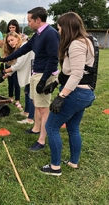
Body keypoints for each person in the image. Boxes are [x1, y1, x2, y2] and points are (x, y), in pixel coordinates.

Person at [0, 7, 60, 151]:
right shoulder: (38, 34)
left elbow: (53, 59)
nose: (28, 23)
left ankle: (42, 140)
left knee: (43, 109)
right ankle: (36, 128)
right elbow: (23, 50)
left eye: (30, 20)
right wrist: (6, 58)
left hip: (44, 75)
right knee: (36, 104)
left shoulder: (50, 34)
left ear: (38, 20)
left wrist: (43, 80)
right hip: (36, 73)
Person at [39, 12, 96, 176]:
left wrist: (61, 96)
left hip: (76, 93)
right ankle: (73, 162)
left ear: (67, 27)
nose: (58, 31)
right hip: (84, 94)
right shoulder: (86, 41)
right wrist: (56, 83)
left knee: (51, 126)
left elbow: (77, 74)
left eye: (59, 27)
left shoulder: (76, 45)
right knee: (73, 128)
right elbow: (74, 71)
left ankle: (55, 167)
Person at [0, 31, 35, 124]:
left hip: (32, 73)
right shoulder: (19, 48)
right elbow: (15, 67)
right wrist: (2, 77)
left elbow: (18, 65)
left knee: (31, 96)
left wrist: (4, 71)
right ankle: (26, 112)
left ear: (18, 38)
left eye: (12, 40)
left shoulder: (24, 46)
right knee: (27, 93)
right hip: (29, 73)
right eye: (8, 41)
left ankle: (30, 119)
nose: (10, 42)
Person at [5, 19, 22, 109]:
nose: (11, 29)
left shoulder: (21, 39)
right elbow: (5, 50)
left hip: (17, 64)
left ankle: (18, 100)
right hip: (9, 62)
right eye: (10, 27)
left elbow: (19, 63)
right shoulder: (8, 38)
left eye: (13, 27)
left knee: (17, 82)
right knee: (10, 81)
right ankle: (10, 97)